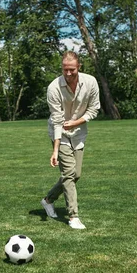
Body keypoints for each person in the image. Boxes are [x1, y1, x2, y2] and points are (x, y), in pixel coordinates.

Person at [41, 51, 100, 229]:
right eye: (65, 69)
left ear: (79, 67)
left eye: (71, 70)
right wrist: (55, 150)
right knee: (68, 173)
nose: (68, 74)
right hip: (59, 133)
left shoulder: (90, 82)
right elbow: (58, 121)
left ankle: (48, 200)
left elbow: (94, 109)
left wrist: (76, 122)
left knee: (76, 174)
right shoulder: (54, 88)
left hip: (79, 132)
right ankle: (73, 216)